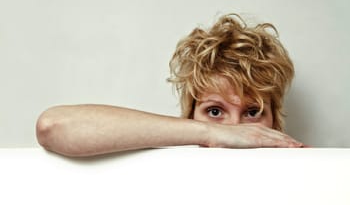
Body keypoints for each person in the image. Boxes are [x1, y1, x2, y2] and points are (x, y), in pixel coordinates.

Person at [36, 13, 304, 157]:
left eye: (252, 112)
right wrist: (210, 134)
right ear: (190, 118)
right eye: (214, 111)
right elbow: (52, 126)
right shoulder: (173, 171)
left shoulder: (307, 174)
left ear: (275, 123)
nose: (235, 132)